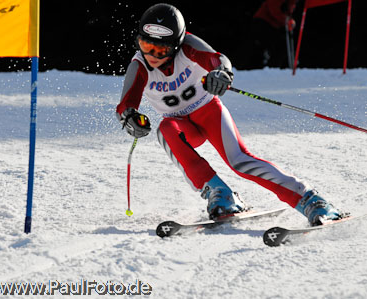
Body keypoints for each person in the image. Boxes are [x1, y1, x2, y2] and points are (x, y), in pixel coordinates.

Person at [116, 3, 343, 226]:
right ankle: (220, 193)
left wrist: (221, 73)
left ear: (176, 45)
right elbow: (126, 104)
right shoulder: (139, 66)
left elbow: (218, 59)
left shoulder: (188, 47)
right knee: (165, 130)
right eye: (145, 45)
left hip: (208, 112)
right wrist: (131, 119)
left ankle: (310, 199)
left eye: (161, 50)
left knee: (240, 161)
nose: (151, 55)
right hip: (181, 125)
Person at [242, 0, 298, 69]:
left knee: (281, 46)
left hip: (274, 25)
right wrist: (286, 21)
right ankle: (268, 68)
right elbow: (274, 11)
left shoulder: (292, 2)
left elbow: (288, 12)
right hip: (262, 23)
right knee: (260, 48)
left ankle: (272, 68)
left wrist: (289, 20)